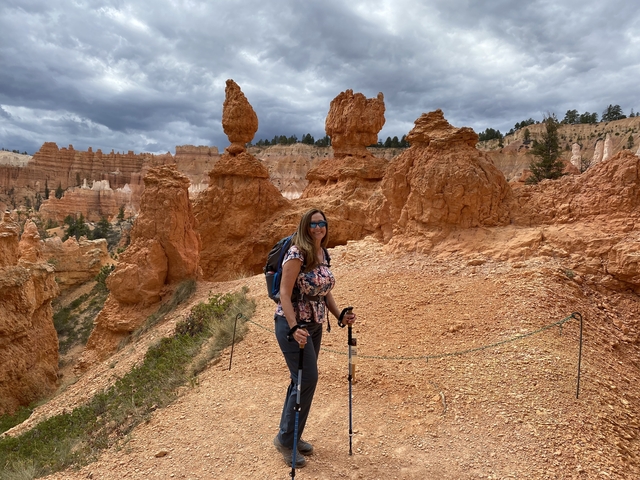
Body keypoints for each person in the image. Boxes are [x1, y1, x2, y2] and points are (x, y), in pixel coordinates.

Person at [272, 208, 356, 468]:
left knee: (300, 381)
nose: (318, 227)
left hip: (315, 325)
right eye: (313, 224)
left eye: (322, 223)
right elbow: (284, 294)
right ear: (305, 227)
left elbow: (323, 292)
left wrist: (339, 314)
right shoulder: (297, 253)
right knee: (307, 379)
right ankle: (287, 441)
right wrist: (294, 327)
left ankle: (289, 435)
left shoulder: (322, 253)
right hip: (294, 327)